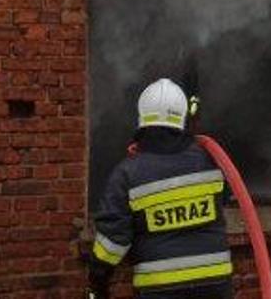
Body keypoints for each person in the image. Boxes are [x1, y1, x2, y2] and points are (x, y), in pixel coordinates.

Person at [89, 78, 234, 298]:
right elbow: (224, 198)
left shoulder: (127, 173)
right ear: (182, 118)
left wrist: (97, 282)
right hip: (216, 284)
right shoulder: (210, 160)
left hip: (160, 288)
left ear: (142, 119)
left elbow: (112, 243)